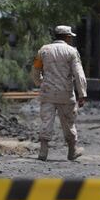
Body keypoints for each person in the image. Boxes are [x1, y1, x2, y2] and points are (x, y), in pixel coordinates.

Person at [31, 25, 87, 162]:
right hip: (66, 94)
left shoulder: (43, 50)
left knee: (46, 121)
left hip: (48, 93)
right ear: (67, 37)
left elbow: (35, 71)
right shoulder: (72, 52)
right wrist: (82, 93)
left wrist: (40, 83)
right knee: (68, 122)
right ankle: (72, 151)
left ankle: (43, 152)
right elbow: (79, 74)